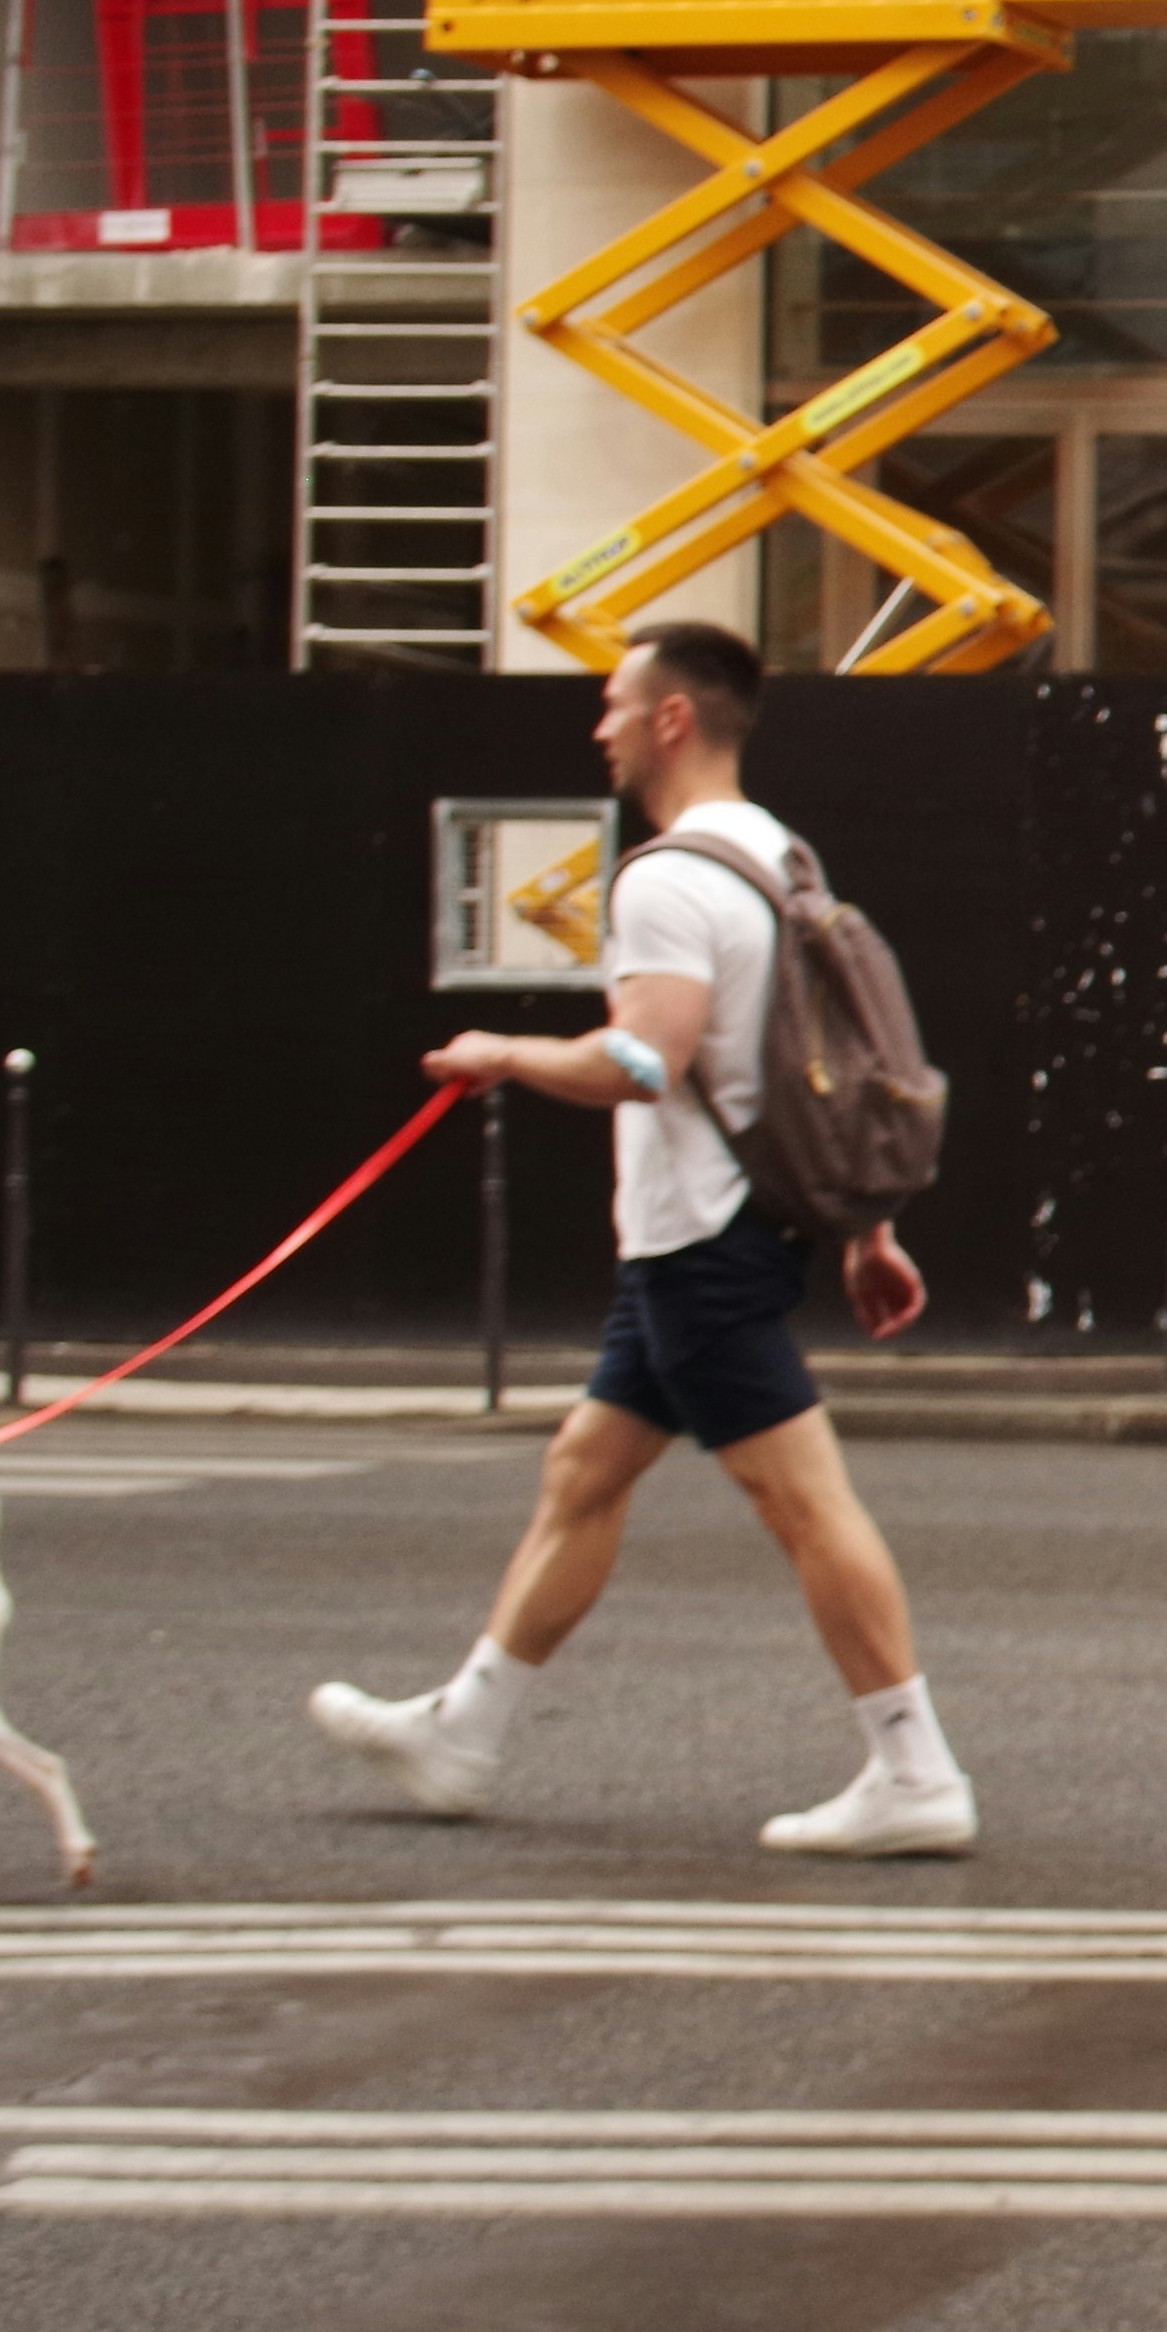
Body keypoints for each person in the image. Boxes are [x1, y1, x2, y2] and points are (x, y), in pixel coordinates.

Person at [313, 621, 972, 1858]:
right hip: (724, 1229)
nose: (598, 724)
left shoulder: (666, 878)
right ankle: (464, 1728)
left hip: (698, 1241)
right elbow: (819, 1055)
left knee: (804, 1502)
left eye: (615, 703)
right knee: (585, 1470)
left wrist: (501, 1055)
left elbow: (641, 1060)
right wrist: (863, 1223)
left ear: (673, 719)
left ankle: (915, 1769)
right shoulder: (779, 853)